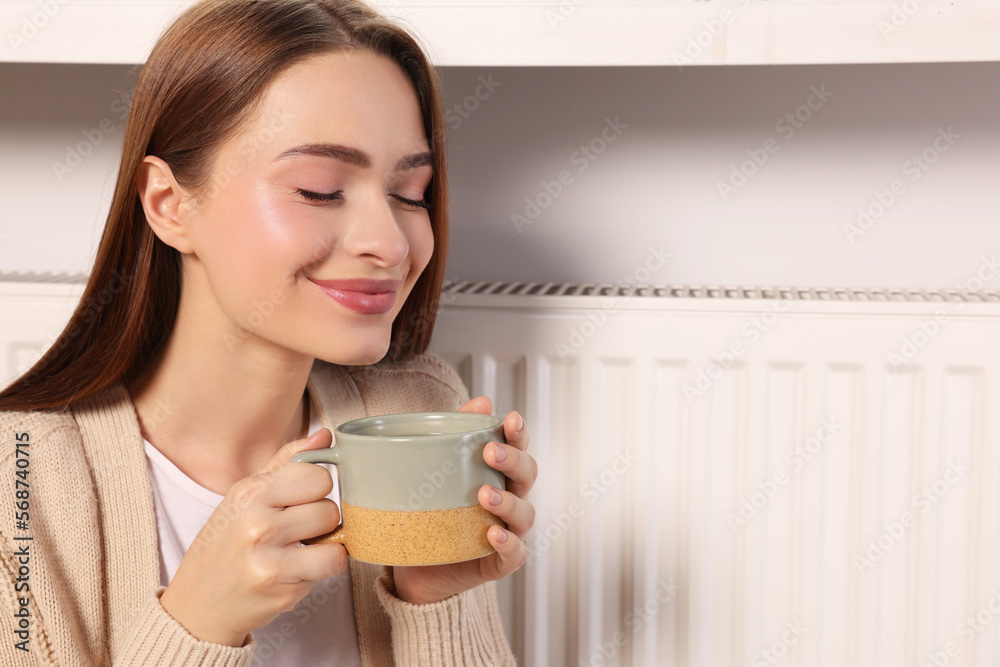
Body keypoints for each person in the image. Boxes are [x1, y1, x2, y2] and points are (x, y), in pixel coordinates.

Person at [0, 0, 537, 664]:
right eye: (318, 189)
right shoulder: (18, 483)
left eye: (411, 192)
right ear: (170, 205)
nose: (389, 242)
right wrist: (196, 621)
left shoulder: (411, 410)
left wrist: (437, 599)